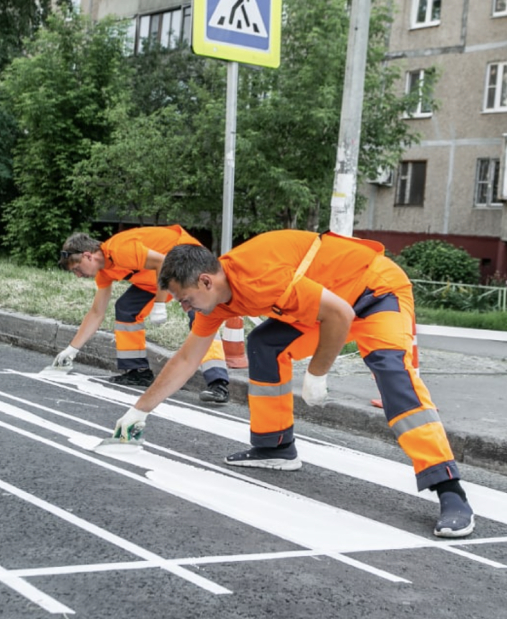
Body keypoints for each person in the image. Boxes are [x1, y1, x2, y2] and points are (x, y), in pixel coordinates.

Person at [111, 230, 475, 539]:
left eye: (186, 299)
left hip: (374, 293)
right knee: (265, 345)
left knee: (393, 374)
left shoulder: (258, 275)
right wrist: (139, 410)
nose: (185, 307)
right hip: (327, 303)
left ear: (206, 281)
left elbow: (341, 315)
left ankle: (448, 488)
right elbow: (187, 359)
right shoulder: (216, 302)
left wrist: (317, 372)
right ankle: (275, 447)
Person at [54, 226, 231, 403]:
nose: (78, 275)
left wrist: (159, 304)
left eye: (77, 268)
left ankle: (218, 383)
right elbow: (97, 312)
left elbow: (162, 263)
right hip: (157, 278)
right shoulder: (105, 272)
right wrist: (71, 350)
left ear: (87, 255)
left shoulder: (119, 249)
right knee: (126, 308)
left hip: (186, 260)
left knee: (200, 315)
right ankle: (138, 371)